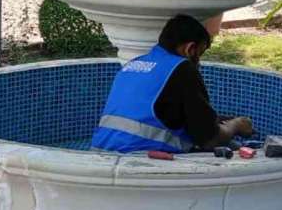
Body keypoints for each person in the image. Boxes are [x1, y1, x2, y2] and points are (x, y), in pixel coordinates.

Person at [91, 15, 254, 154]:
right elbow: (210, 140)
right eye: (200, 54)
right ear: (190, 48)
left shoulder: (133, 64)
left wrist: (215, 119)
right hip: (141, 162)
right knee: (230, 151)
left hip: (100, 154)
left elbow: (155, 112)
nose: (199, 63)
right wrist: (236, 125)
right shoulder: (182, 69)